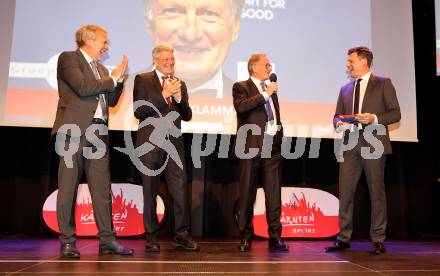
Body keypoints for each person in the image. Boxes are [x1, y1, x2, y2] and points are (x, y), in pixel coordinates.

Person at [52, 24, 134, 258]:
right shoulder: (69, 59)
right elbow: (83, 87)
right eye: (104, 42)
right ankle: (67, 241)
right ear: (89, 40)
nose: (106, 46)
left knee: (101, 188)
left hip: (98, 131)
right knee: (68, 187)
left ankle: (107, 239)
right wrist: (112, 78)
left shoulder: (101, 68)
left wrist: (118, 81)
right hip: (73, 130)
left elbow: (111, 101)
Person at [325, 46, 401, 254]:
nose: (347, 65)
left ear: (363, 62)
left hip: (373, 143)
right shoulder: (345, 89)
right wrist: (339, 123)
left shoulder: (383, 84)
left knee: (377, 192)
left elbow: (395, 114)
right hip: (350, 143)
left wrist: (374, 118)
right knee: (346, 191)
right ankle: (343, 238)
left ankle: (378, 238)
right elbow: (337, 116)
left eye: (351, 61)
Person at [133, 44, 198, 252]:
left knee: (180, 191)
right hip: (149, 144)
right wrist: (164, 94)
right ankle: (151, 237)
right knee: (150, 191)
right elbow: (140, 110)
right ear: (156, 61)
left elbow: (186, 115)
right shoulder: (143, 80)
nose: (170, 63)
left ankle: (181, 234)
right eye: (165, 61)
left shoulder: (181, 84)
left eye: (172, 60)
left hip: (175, 145)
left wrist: (179, 99)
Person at [232, 53, 289, 252]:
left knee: (274, 194)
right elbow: (241, 107)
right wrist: (265, 94)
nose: (269, 69)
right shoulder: (241, 87)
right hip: (250, 147)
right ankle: (246, 236)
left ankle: (275, 237)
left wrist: (279, 136)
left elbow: (275, 117)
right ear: (254, 67)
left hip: (272, 148)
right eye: (266, 65)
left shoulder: (270, 89)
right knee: (247, 193)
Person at [139, 0, 244, 98]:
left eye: (209, 13)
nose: (190, 34)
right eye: (172, 11)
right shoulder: (125, 90)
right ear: (150, 24)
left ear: (235, 26)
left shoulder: (249, 102)